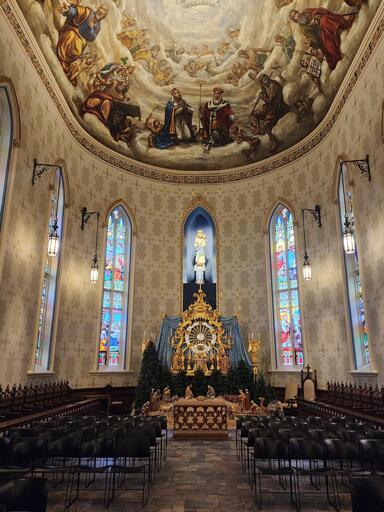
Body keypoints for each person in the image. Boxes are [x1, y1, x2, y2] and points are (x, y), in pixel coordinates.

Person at [56, 1, 108, 85]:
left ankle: (67, 64)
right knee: (70, 37)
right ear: (98, 9)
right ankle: (61, 56)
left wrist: (91, 28)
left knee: (77, 50)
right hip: (72, 29)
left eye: (104, 11)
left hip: (81, 40)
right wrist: (68, 10)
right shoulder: (88, 12)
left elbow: (92, 38)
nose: (101, 11)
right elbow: (78, 11)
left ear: (104, 16)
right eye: (101, 8)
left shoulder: (97, 26)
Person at [290, 8, 355, 71]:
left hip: (323, 21)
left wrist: (316, 18)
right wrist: (312, 43)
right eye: (294, 16)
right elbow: (313, 37)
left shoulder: (306, 11)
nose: (296, 15)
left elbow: (319, 10)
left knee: (324, 19)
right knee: (324, 24)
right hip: (320, 34)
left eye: (295, 13)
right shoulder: (303, 29)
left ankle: (342, 25)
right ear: (295, 20)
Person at [250, 74, 289, 152]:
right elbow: (264, 91)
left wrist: (262, 97)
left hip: (278, 108)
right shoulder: (265, 85)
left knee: (266, 124)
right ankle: (259, 129)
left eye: (266, 79)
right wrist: (254, 79)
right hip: (270, 107)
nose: (266, 81)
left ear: (268, 78)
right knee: (255, 113)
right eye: (263, 80)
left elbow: (270, 101)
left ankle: (274, 142)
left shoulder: (273, 85)